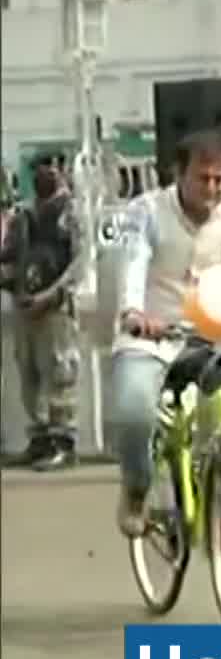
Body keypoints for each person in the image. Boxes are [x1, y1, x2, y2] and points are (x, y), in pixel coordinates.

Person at [109, 131, 221, 536]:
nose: (213, 188)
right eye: (203, 178)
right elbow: (133, 261)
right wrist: (134, 312)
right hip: (149, 339)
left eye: (220, 179)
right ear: (177, 174)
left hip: (210, 339)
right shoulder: (147, 211)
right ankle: (137, 488)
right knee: (134, 413)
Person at [0, 155, 84, 470]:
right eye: (38, 167)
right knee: (28, 374)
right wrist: (13, 287)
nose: (44, 173)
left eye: (51, 167)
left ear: (61, 172)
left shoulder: (70, 213)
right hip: (24, 305)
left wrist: (51, 295)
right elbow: (9, 254)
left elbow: (80, 260)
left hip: (56, 308)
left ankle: (64, 442)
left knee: (59, 373)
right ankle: (39, 439)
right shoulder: (23, 214)